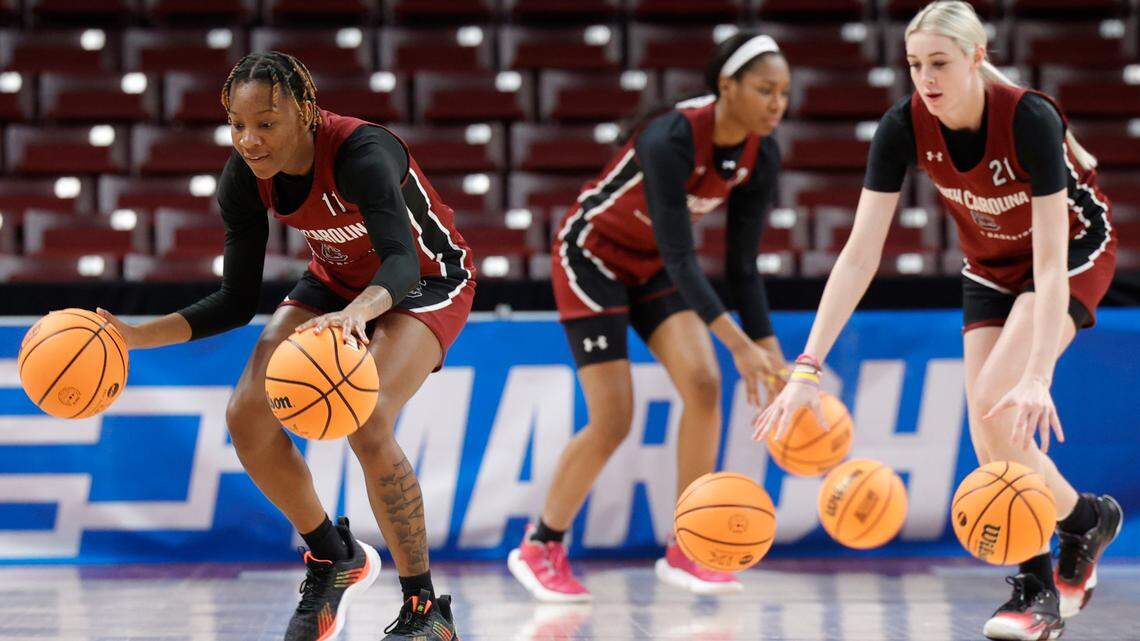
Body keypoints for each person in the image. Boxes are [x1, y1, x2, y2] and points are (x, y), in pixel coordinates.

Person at [752, 3, 1122, 640]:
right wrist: (806, 368)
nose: (925, 77)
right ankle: (1084, 521)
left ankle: (1038, 597)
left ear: (977, 57)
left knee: (998, 406)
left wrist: (1038, 372)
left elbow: (1051, 256)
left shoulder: (1028, 117)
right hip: (988, 267)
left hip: (1066, 254)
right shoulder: (902, 126)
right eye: (915, 64)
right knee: (989, 438)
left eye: (940, 63)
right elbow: (860, 254)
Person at [97, 51, 473, 641]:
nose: (249, 140)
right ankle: (333, 556)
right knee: (246, 417)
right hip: (336, 282)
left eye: (265, 124)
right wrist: (132, 336)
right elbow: (234, 301)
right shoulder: (244, 177)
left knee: (367, 416)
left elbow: (400, 261)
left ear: (304, 110)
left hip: (426, 280)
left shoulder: (363, 152)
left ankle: (427, 609)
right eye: (237, 125)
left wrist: (357, 316)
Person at [508, 32, 789, 602]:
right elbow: (686, 258)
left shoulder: (763, 152)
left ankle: (690, 546)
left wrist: (772, 351)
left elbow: (742, 266)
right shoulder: (671, 137)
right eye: (764, 90)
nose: (776, 104)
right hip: (591, 256)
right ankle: (540, 544)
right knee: (613, 418)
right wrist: (740, 344)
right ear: (726, 87)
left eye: (784, 93)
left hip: (654, 265)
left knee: (705, 385)